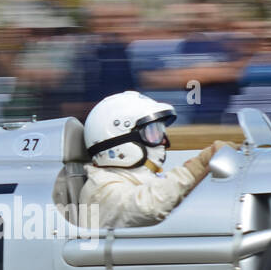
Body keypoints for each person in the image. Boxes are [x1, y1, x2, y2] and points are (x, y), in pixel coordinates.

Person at [78, 90, 230, 229]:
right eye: (153, 132)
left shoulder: (135, 181)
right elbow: (149, 206)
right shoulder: (100, 191)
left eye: (160, 131)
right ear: (120, 142)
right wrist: (198, 165)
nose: (164, 141)